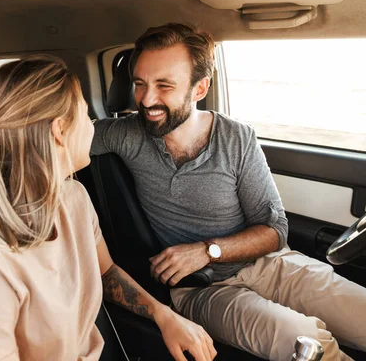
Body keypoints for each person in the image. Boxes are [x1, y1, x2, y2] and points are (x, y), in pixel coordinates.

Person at [90, 23, 366, 361]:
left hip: (269, 264)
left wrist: (208, 250)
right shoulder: (126, 134)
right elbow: (57, 140)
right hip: (202, 289)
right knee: (304, 339)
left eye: (164, 86)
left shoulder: (237, 138)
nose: (147, 100)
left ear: (199, 88)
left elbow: (274, 230)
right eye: (140, 84)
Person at [0, 56, 217, 361]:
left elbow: (106, 273)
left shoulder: (73, 196)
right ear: (60, 130)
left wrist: (163, 315)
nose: (92, 127)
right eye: (86, 116)